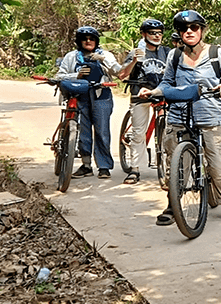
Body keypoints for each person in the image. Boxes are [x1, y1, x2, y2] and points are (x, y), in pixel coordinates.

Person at [140, 10, 221, 224]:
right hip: (179, 115)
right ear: (179, 33)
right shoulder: (174, 55)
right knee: (175, 164)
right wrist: (153, 92)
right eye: (184, 28)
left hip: (211, 116)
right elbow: (167, 83)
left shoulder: (217, 53)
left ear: (201, 30)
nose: (189, 31)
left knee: (219, 163)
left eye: (194, 27)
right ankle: (173, 204)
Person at [55, 26, 122, 179]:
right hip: (80, 95)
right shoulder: (71, 56)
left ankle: (104, 166)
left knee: (102, 131)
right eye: (84, 39)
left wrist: (104, 60)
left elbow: (118, 72)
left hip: (101, 95)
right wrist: (76, 75)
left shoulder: (105, 54)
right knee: (83, 131)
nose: (88, 41)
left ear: (96, 41)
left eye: (91, 39)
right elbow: (60, 75)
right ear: (79, 41)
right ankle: (86, 165)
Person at [117, 19, 171, 186]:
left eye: (159, 33)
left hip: (161, 94)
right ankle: (135, 169)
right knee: (139, 133)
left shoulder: (168, 52)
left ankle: (168, 168)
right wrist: (133, 60)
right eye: (152, 33)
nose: (156, 36)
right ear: (144, 34)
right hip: (140, 95)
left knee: (169, 131)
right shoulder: (136, 52)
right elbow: (122, 75)